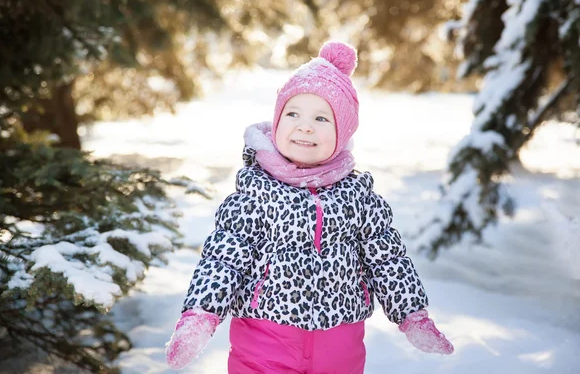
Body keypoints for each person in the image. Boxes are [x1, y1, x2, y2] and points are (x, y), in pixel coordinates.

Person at [165, 41, 454, 373]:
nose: (305, 126)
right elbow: (223, 259)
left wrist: (412, 315)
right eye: (293, 114)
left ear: (342, 132)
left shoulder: (358, 196)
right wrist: (200, 316)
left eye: (321, 118)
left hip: (340, 340)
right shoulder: (254, 194)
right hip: (264, 337)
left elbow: (387, 260)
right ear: (277, 122)